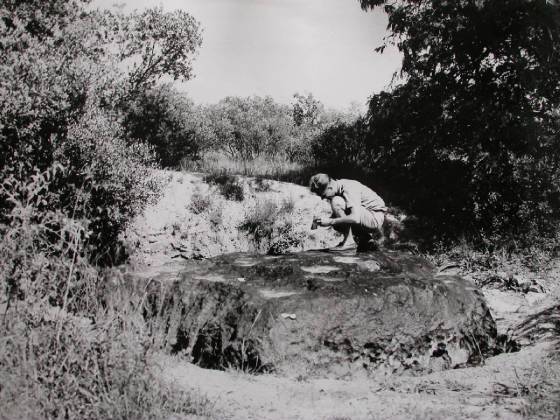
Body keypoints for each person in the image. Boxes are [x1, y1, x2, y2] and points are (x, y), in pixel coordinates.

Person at [309, 173, 387, 251]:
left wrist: (330, 221)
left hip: (374, 217)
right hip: (368, 216)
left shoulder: (348, 188)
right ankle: (366, 238)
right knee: (337, 223)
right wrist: (323, 221)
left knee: (336, 201)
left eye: (323, 195)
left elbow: (355, 218)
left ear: (330, 187)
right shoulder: (340, 186)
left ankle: (349, 243)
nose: (323, 198)